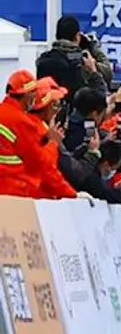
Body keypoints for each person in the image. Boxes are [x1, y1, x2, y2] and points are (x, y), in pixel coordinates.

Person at [0, 71, 75, 200]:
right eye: (34, 91)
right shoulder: (22, 122)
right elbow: (42, 166)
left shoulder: (7, 114)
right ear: (27, 94)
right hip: (16, 193)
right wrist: (72, 195)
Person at [35, 16, 104, 101]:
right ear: (77, 36)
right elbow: (107, 73)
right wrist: (93, 48)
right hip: (75, 111)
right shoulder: (79, 58)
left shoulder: (45, 58)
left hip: (48, 108)